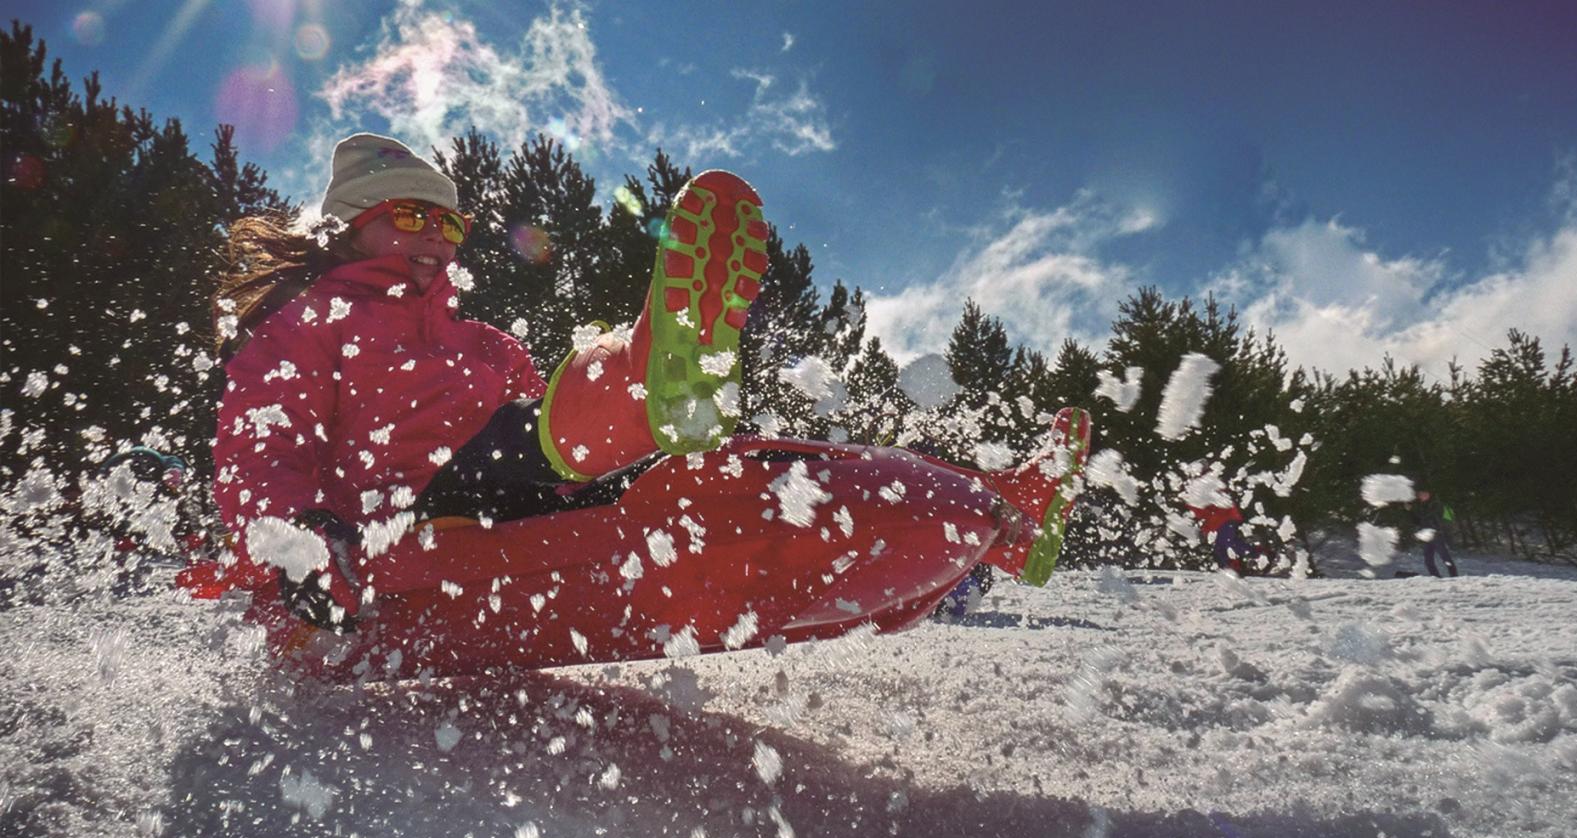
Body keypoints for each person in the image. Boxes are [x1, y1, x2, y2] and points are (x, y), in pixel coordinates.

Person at [212, 133, 1031, 636]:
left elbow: (540, 418)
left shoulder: (481, 342)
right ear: (351, 227)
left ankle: (994, 502)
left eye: (450, 220)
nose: (436, 235)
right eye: (411, 216)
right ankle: (646, 372)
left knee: (688, 467)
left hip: (513, 484)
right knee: (530, 439)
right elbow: (261, 441)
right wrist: (297, 539)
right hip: (397, 513)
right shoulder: (305, 322)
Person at [1411, 489, 1459, 577]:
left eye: (1424, 494)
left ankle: (1454, 576)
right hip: (1426, 535)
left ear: (1429, 494)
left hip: (1437, 534)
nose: (1422, 496)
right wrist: (1410, 511)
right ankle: (1435, 577)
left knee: (1445, 557)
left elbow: (1432, 516)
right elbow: (1417, 520)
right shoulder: (1421, 506)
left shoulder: (1436, 504)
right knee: (1428, 560)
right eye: (1420, 494)